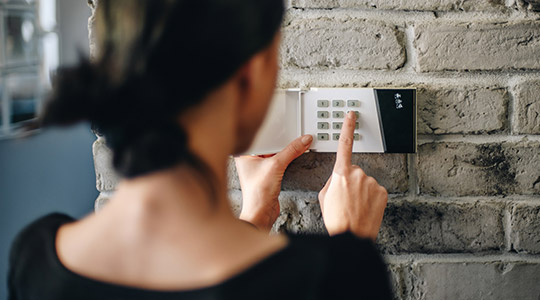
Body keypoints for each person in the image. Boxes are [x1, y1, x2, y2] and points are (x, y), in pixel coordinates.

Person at [8, 0, 392, 299]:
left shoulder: (36, 260)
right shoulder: (331, 276)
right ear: (253, 75)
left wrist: (255, 216)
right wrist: (352, 248)